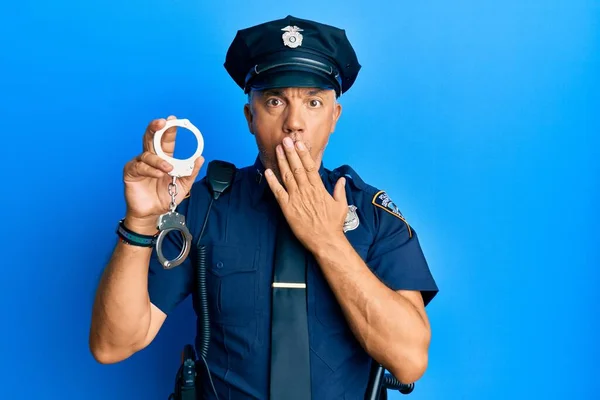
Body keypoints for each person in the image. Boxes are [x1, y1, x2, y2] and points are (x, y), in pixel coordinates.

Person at [89, 15, 439, 399]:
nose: (294, 123)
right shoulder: (205, 205)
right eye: (275, 101)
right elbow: (113, 344)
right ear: (250, 117)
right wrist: (140, 222)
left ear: (334, 116)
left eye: (313, 102)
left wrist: (328, 241)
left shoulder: (372, 214)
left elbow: (408, 360)